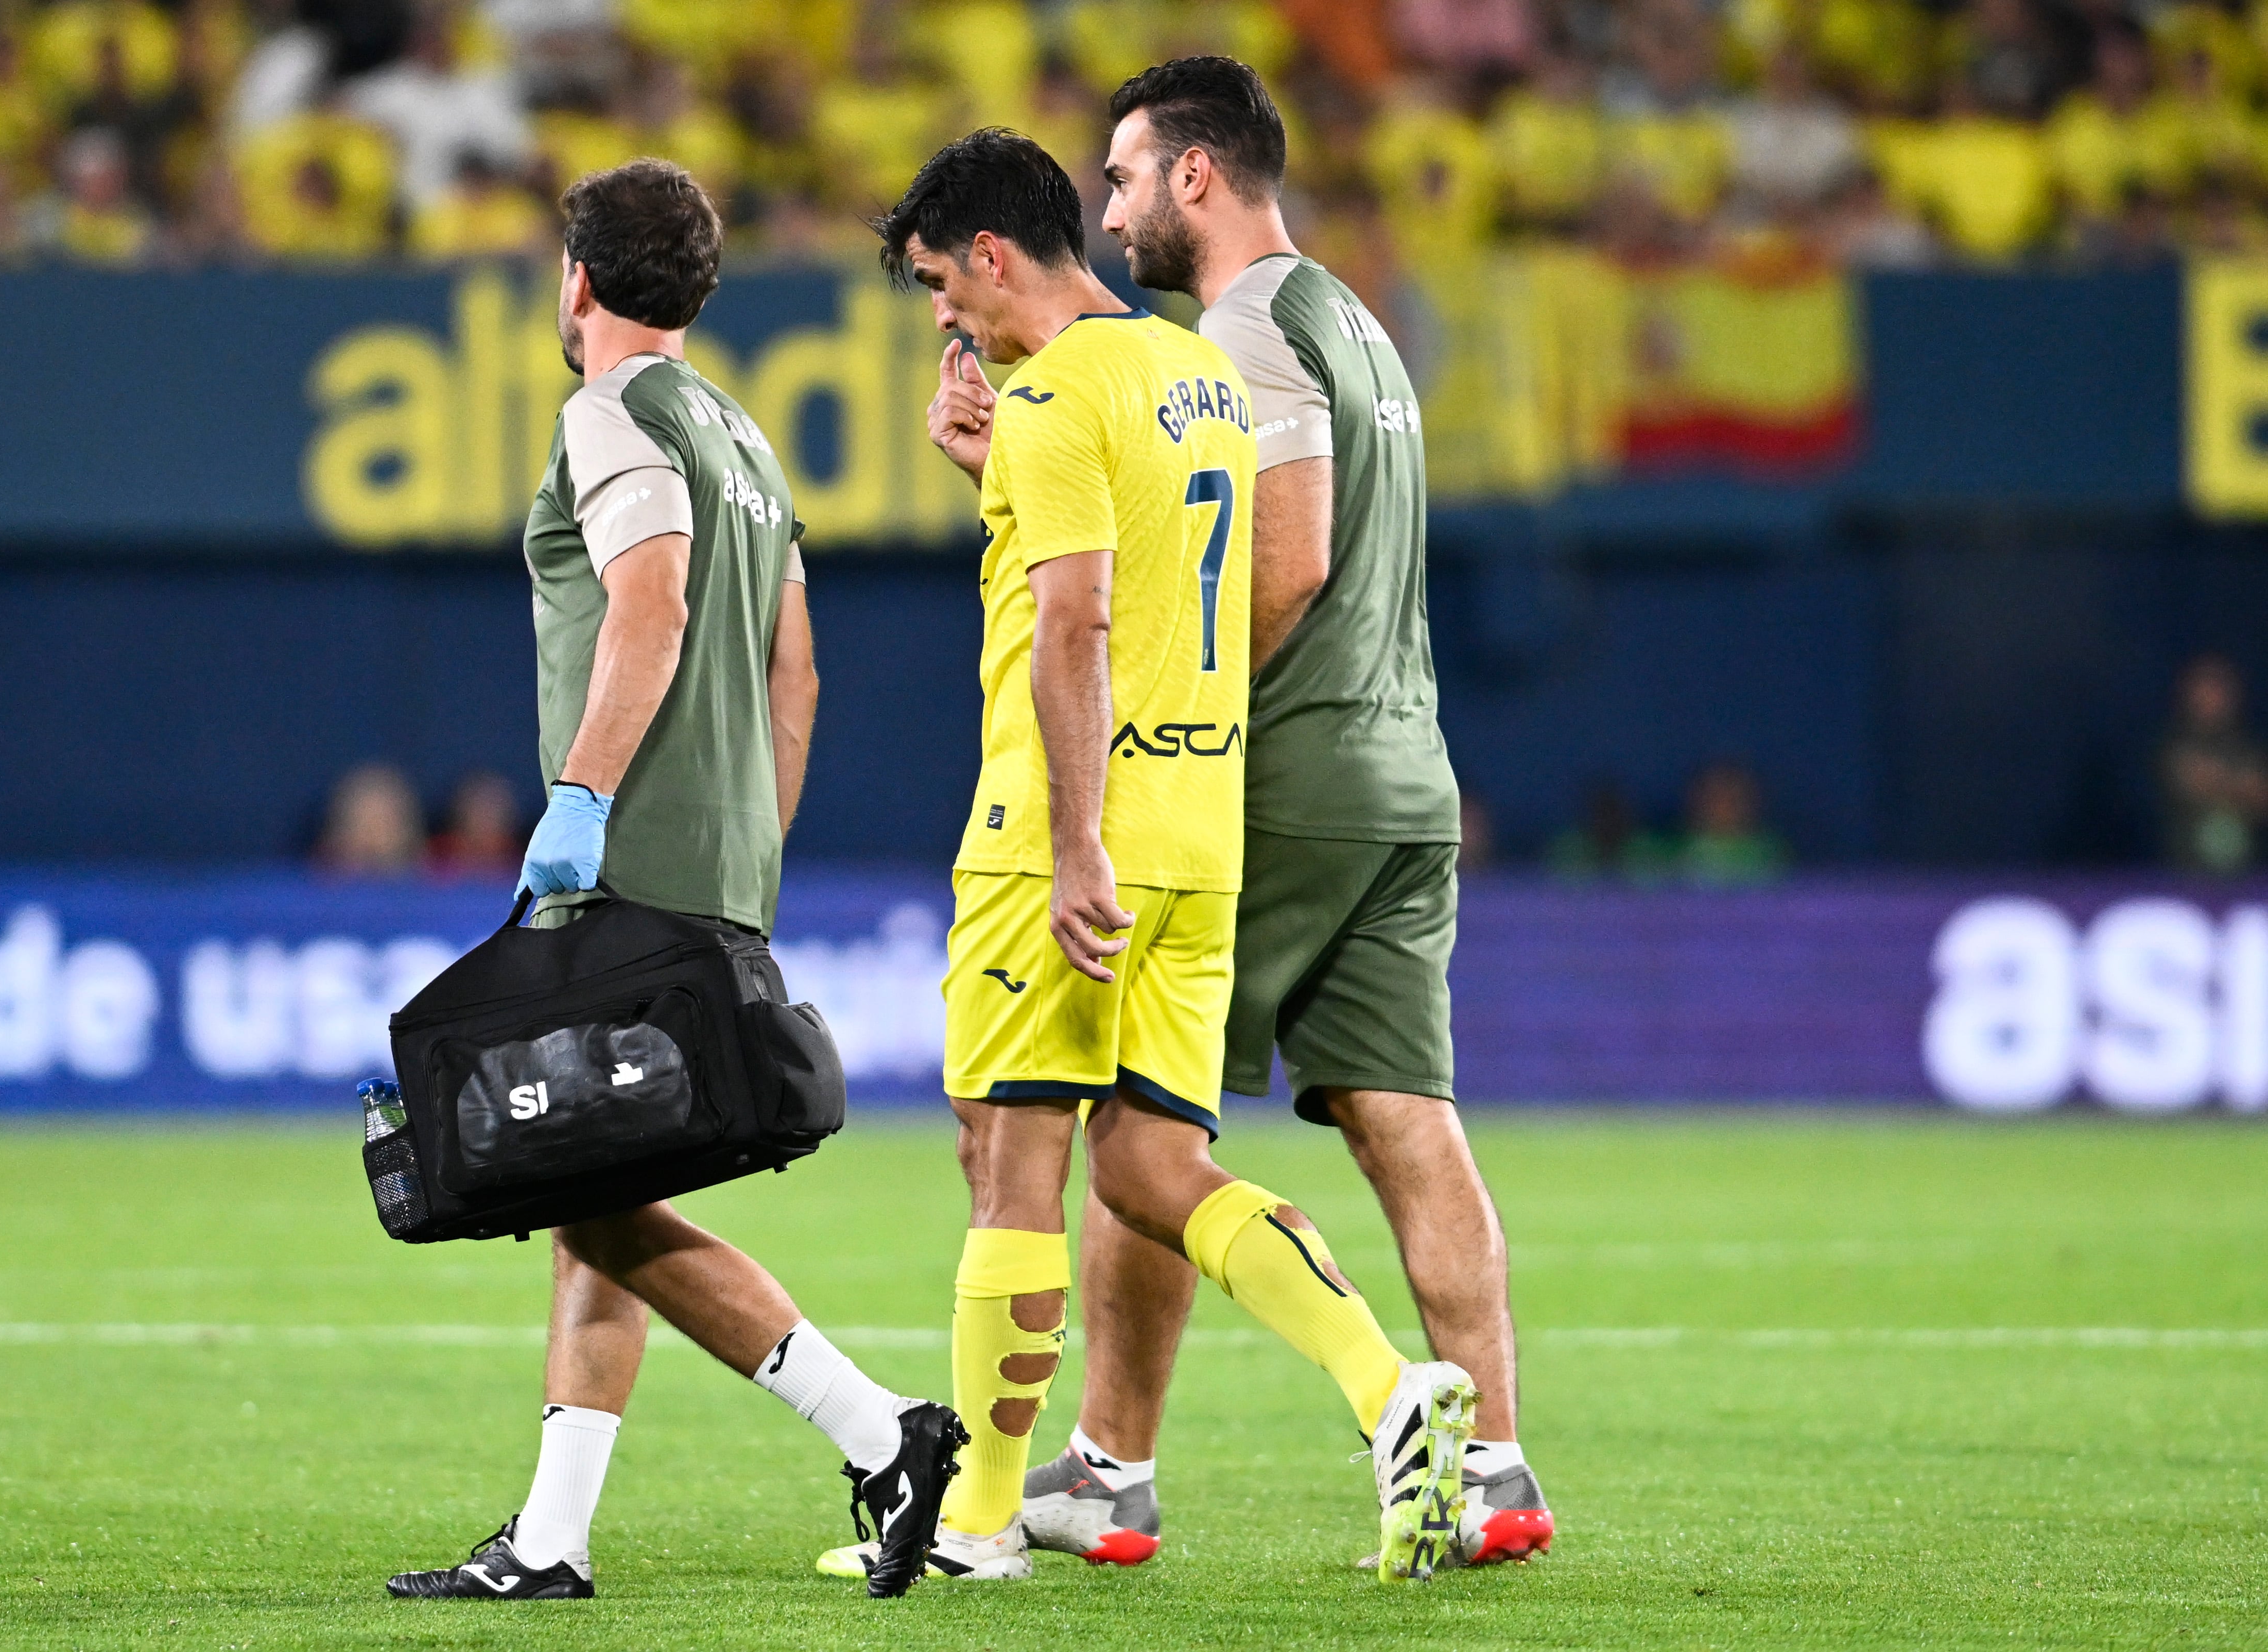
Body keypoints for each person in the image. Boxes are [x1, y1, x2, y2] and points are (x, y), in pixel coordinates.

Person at [822, 126, 1477, 1586]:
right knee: (1153, 1163)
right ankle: (1389, 1393)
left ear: (993, 253)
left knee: (1010, 1161)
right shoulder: (1194, 370)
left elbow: (1073, 624)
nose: (941, 318)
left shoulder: (1054, 397)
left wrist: (1067, 850)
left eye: (939, 282)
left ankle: (978, 1526)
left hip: (1064, 836)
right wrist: (993, 468)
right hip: (1201, 830)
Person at [382, 159, 964, 1604]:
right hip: (715, 863)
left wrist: (579, 801)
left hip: (626, 863)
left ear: (575, 280)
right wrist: (750, 849)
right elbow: (795, 670)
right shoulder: (745, 440)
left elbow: (650, 603)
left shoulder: (612, 412)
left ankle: (877, 1429)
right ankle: (553, 1539)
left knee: (576, 1179)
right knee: (594, 1194)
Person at [1016, 56, 1555, 1575]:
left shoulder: (1245, 329)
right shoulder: (1358, 326)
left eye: (1121, 178)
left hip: (1287, 779)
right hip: (1404, 777)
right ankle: (1497, 1464)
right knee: (1405, 1119)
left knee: (1139, 1121)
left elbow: (1288, 557)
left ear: (1197, 175)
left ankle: (1111, 1469)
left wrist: (1169, 726)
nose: (1108, 211)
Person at [2159, 652, 2268, 874]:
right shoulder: (2172, 746)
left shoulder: (2250, 749)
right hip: (2185, 875)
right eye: (2204, 689)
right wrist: (2241, 788)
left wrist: (2224, 784)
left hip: (2251, 877)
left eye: (2218, 689)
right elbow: (2192, 780)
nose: (2211, 698)